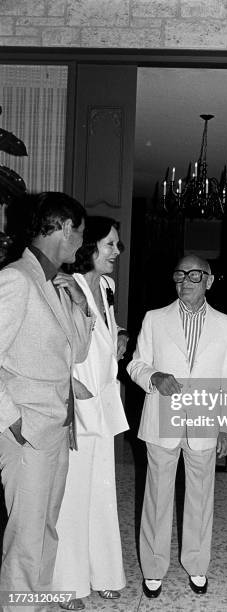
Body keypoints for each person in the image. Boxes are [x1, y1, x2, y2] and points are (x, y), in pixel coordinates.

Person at [0, 192, 94, 611]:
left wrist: (79, 306)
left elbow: (78, 354)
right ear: (63, 229)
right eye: (80, 235)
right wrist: (11, 420)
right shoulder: (16, 279)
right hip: (26, 431)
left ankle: (34, 603)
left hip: (57, 427)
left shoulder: (55, 282)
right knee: (25, 536)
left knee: (45, 528)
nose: (81, 245)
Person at [127, 254, 227, 599]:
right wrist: (154, 376)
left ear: (209, 280)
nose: (185, 282)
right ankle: (154, 568)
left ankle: (197, 564)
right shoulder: (155, 319)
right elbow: (135, 364)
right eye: (179, 275)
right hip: (162, 417)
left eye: (193, 275)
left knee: (201, 496)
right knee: (157, 496)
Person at [52, 217, 129, 610]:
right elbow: (57, 341)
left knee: (102, 489)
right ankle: (67, 583)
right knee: (73, 494)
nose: (117, 251)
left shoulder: (107, 286)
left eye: (117, 245)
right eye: (110, 244)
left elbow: (102, 331)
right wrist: (68, 381)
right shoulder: (70, 286)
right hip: (78, 399)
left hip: (104, 398)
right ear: (90, 247)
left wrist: (119, 336)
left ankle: (105, 573)